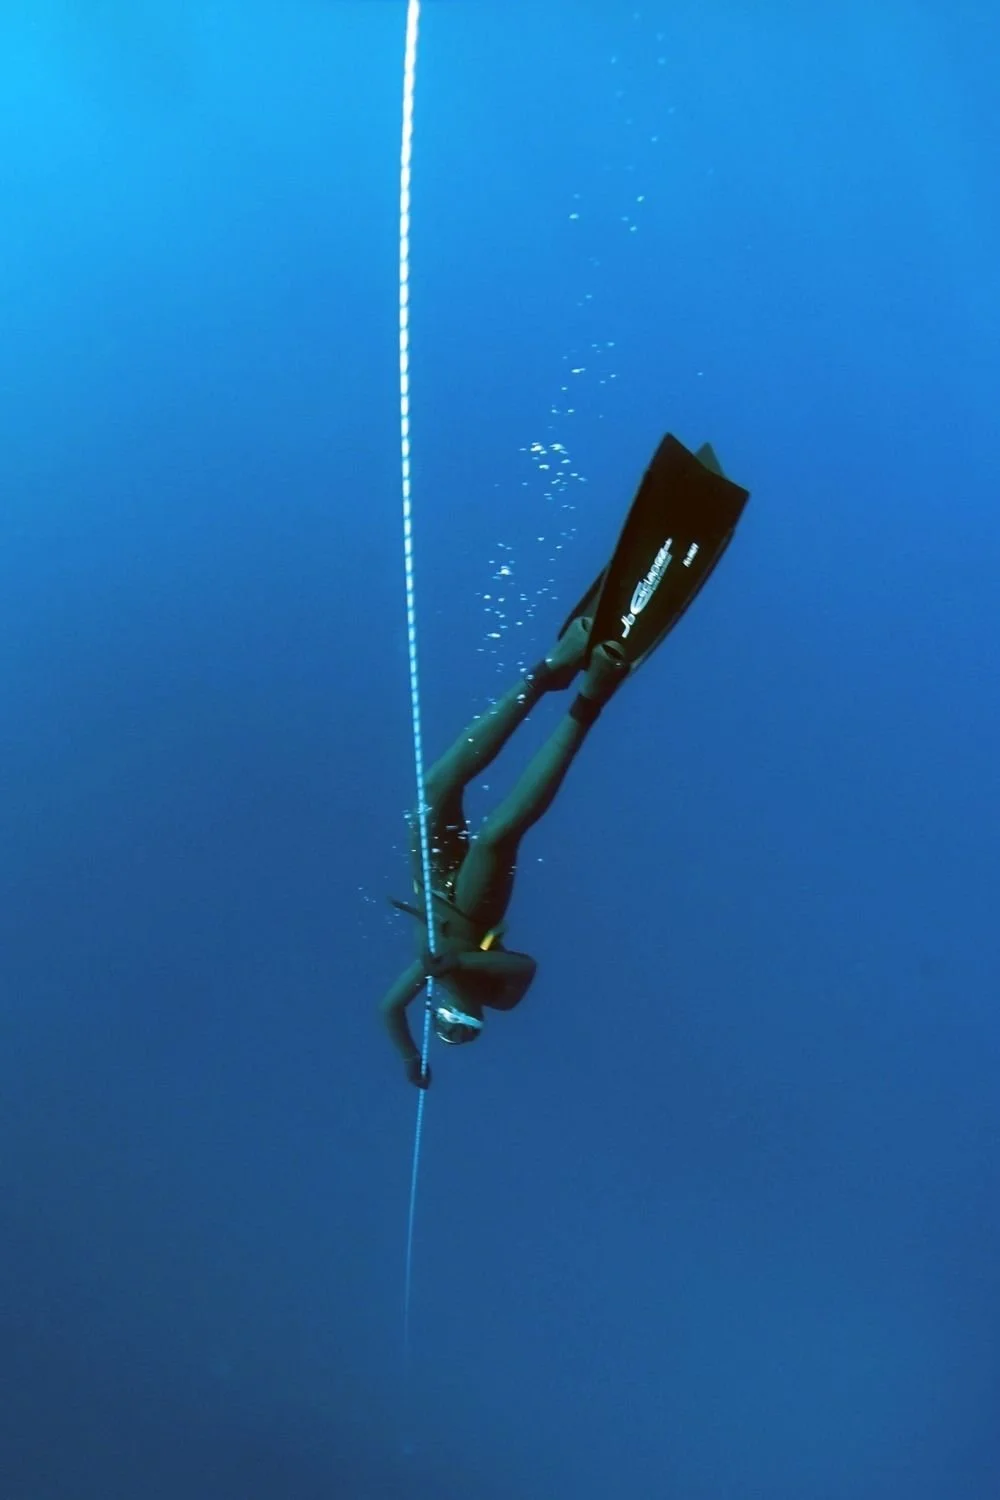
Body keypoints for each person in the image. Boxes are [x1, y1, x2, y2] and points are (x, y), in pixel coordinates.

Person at [378, 433, 750, 1087]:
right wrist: (457, 969)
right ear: (477, 1023)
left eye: (445, 1024)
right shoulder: (490, 992)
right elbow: (521, 969)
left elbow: (386, 1012)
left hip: (434, 887)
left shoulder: (426, 981)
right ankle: (588, 699)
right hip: (473, 907)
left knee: (428, 800)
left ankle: (544, 675)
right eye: (458, 1028)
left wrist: (411, 1055)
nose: (450, 1019)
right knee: (498, 833)